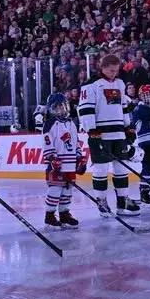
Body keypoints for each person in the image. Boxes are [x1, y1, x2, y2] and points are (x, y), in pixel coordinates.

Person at [77, 54, 140, 218]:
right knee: (101, 170)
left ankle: (122, 202)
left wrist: (128, 127)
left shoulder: (119, 83)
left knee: (121, 169)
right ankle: (102, 202)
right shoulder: (90, 85)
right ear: (103, 67)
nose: (114, 73)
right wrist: (92, 132)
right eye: (111, 70)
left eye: (116, 71)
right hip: (100, 134)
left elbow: (123, 107)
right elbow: (85, 110)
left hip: (118, 133)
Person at [41, 92, 85, 229]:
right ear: (51, 109)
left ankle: (64, 214)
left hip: (70, 164)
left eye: (62, 106)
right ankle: (49, 215)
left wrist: (79, 157)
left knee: (67, 191)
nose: (60, 109)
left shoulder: (71, 123)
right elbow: (47, 142)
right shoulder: (50, 123)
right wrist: (52, 157)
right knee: (55, 190)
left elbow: (76, 142)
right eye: (57, 107)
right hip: (56, 164)